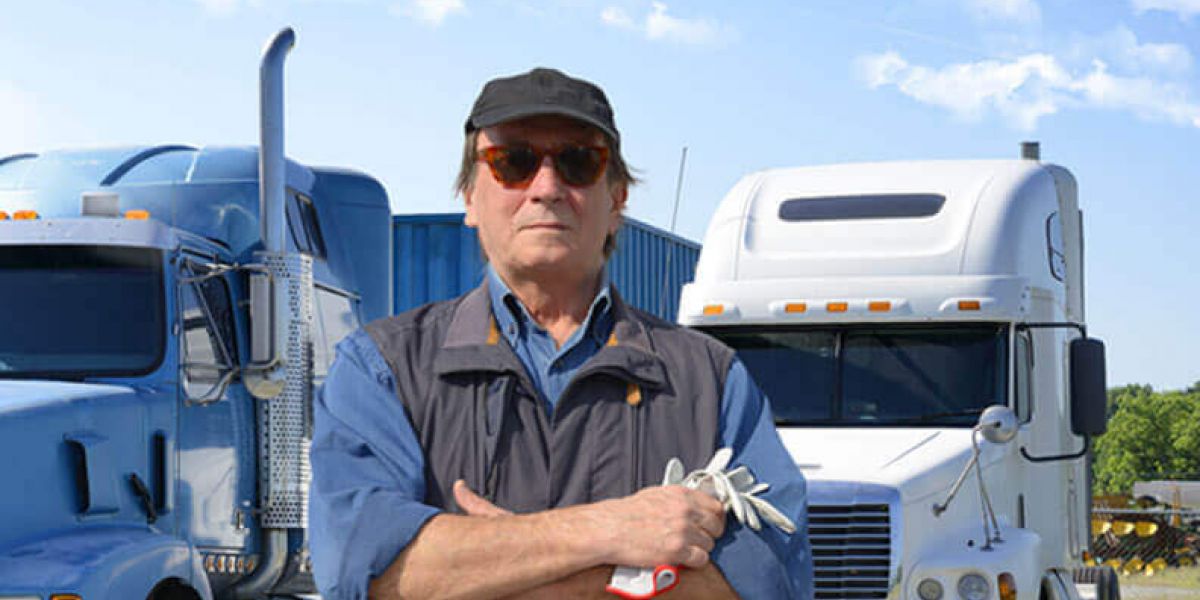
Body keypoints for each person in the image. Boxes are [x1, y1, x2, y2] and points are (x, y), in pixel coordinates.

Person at [309, 67, 813, 599]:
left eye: (578, 162)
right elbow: (365, 571)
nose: (547, 188)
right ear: (469, 198)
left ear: (617, 199)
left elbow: (772, 583)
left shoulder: (712, 381)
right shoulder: (382, 368)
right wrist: (615, 530)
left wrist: (495, 562)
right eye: (513, 162)